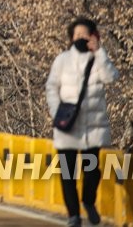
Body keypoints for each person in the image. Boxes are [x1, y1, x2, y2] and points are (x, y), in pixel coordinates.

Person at [46, 17, 119, 227]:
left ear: (93, 36)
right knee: (67, 173)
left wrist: (100, 52)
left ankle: (88, 201)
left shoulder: (98, 60)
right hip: (67, 126)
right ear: (71, 38)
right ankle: (73, 216)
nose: (80, 38)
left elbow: (111, 77)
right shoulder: (62, 60)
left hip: (92, 127)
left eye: (84, 35)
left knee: (92, 170)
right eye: (76, 35)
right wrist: (56, 110)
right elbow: (51, 86)